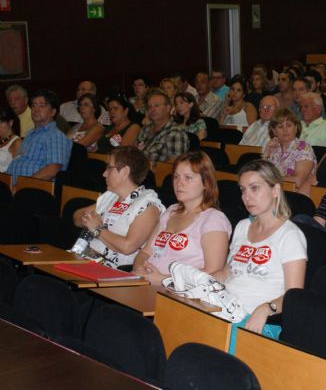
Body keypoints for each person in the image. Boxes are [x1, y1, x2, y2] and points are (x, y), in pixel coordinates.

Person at [212, 160, 306, 342]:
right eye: (243, 190)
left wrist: (265, 308)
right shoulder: (242, 226)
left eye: (254, 188)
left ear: (275, 190)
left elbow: (294, 296)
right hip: (225, 308)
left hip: (258, 320)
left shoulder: (290, 235)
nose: (246, 196)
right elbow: (227, 272)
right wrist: (195, 282)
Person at [133, 151, 232, 284]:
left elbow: (213, 274)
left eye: (188, 177)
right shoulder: (171, 211)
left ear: (206, 183)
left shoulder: (214, 220)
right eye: (176, 177)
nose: (179, 183)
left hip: (179, 295)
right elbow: (145, 252)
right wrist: (139, 270)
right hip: (146, 283)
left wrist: (164, 280)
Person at [72, 147, 164, 269]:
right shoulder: (111, 196)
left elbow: (128, 247)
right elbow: (77, 216)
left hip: (113, 271)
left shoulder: (148, 206)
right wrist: (88, 219)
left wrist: (97, 229)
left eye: (109, 168)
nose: (104, 173)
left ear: (125, 171)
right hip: (85, 258)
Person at [7, 89, 72, 182]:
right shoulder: (30, 134)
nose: (36, 110)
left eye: (42, 106)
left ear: (53, 112)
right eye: (34, 105)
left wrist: (21, 185)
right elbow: (18, 160)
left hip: (32, 189)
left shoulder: (55, 136)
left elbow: (51, 171)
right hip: (12, 185)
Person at [263, 108, 316, 190]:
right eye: (280, 127)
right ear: (274, 131)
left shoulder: (304, 148)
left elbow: (297, 181)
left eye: (289, 125)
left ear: (296, 128)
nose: (285, 130)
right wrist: (266, 153)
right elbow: (262, 174)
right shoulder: (274, 148)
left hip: (296, 195)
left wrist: (270, 179)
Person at [136, 89, 189, 163]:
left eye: (156, 106)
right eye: (149, 106)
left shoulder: (176, 132)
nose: (152, 109)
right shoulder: (145, 129)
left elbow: (173, 166)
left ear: (168, 108)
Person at [0, 106, 21, 172]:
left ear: (10, 123)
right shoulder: (2, 141)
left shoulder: (16, 142)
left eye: (0, 122)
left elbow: (18, 169)